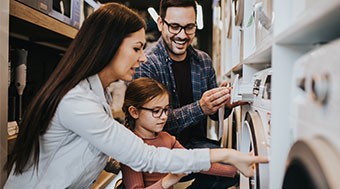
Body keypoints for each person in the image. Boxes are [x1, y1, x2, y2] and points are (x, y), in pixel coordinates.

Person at [3, 3, 267, 188]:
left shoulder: (96, 93)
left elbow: (87, 148)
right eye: (137, 48)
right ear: (109, 46)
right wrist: (227, 156)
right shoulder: (78, 101)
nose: (142, 57)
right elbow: (146, 155)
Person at [134, 0, 246, 188]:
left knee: (235, 169)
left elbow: (214, 116)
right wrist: (200, 107)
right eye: (175, 26)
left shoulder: (203, 61)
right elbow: (150, 123)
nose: (182, 35)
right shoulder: (147, 64)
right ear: (161, 23)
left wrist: (224, 105)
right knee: (230, 167)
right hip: (159, 148)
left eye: (189, 27)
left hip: (195, 143)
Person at [121, 77, 241, 189]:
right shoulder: (129, 147)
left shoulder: (167, 139)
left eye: (166, 110)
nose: (164, 117)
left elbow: (197, 163)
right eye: (156, 111)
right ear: (134, 112)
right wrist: (168, 180)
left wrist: (237, 170)